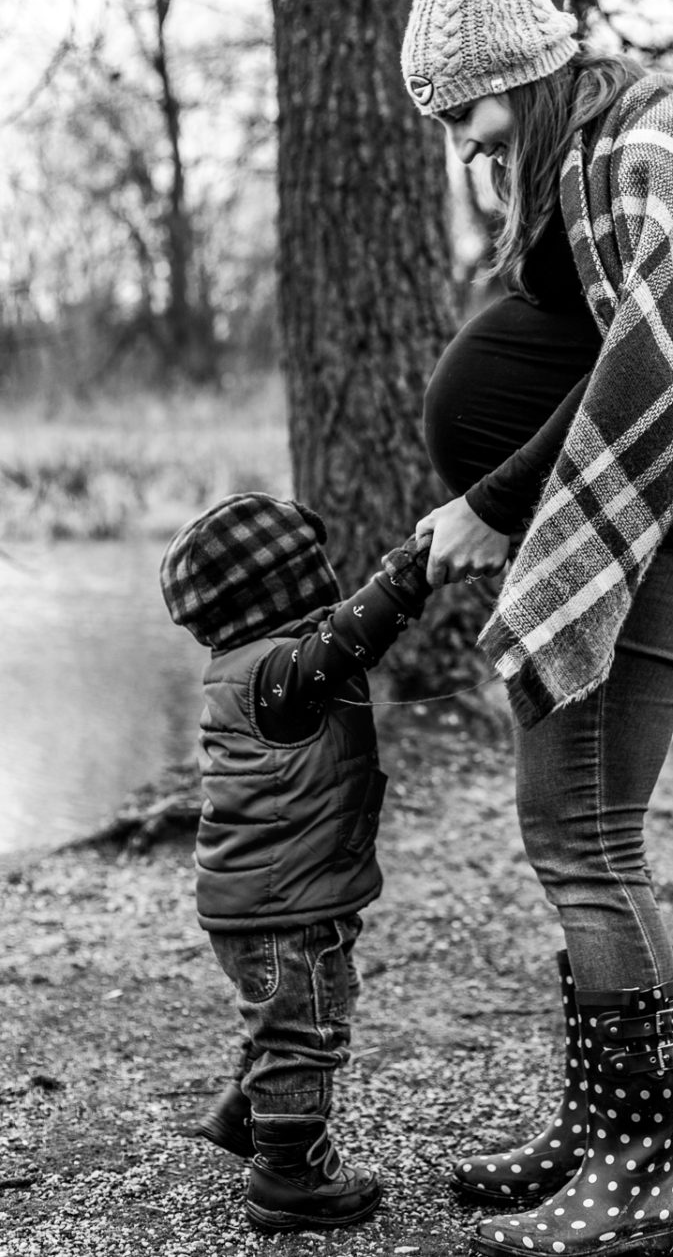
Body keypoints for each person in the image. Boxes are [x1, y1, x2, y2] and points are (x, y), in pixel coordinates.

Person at [401, 0, 673, 1257]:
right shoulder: (585, 158)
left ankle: (640, 1177)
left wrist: (489, 505)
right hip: (644, 547)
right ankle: (600, 1131)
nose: (466, 151)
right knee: (588, 838)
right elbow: (593, 339)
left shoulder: (640, 153)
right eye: (448, 130)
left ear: (529, 67)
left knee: (583, 842)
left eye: (472, 117)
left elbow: (650, 380)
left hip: (651, 549)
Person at [158, 492, 431, 1236]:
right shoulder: (274, 675)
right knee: (302, 1032)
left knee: (283, 1015)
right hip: (284, 904)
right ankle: (291, 1177)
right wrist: (410, 574)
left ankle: (243, 1115)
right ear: (275, 589)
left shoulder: (244, 666)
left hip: (272, 898)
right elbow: (351, 638)